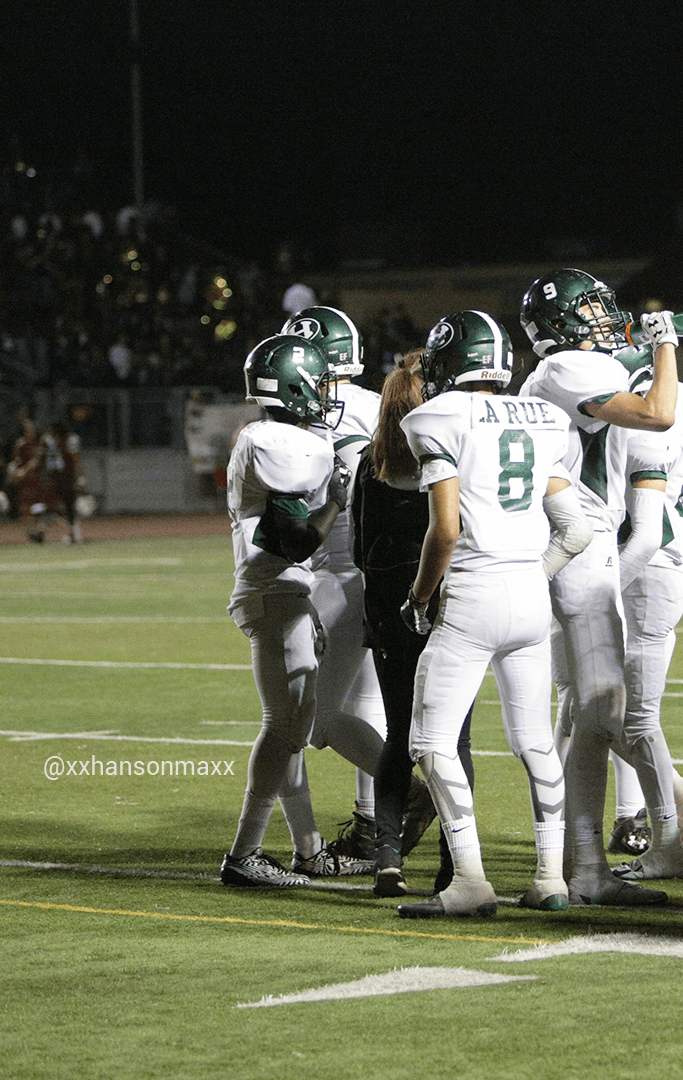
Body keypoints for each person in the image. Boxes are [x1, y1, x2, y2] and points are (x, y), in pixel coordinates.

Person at [392, 310, 591, 917]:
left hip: (473, 596)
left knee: (431, 741)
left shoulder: (436, 418)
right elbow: (576, 530)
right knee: (535, 742)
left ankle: (471, 881)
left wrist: (419, 597)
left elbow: (445, 530)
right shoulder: (544, 418)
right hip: (530, 597)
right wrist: (534, 574)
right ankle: (551, 879)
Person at [517, 268, 683, 905]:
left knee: (584, 710)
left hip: (583, 542)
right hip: (573, 542)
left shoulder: (580, 374)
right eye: (589, 309)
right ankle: (581, 865)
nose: (603, 317)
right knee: (601, 705)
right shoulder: (565, 367)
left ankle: (570, 862)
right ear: (560, 323)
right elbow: (657, 413)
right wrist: (665, 344)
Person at [218, 334, 349, 888]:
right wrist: (337, 500)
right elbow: (295, 540)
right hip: (273, 592)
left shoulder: (268, 437)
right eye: (318, 383)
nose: (325, 393)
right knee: (285, 727)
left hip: (281, 592)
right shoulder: (276, 441)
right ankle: (244, 853)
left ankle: (308, 849)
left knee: (292, 725)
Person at [278, 305, 389, 878]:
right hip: (382, 568)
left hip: (338, 572)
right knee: (365, 700)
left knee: (301, 717)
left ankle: (400, 799)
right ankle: (374, 826)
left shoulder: (313, 414)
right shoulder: (380, 404)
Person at [604, 376, 683, 873]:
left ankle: (663, 830)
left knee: (619, 715)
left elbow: (659, 524)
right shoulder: (672, 396)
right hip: (641, 569)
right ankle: (645, 812)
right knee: (598, 709)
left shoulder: (626, 402)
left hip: (636, 569)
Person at [351, 356, 461, 899]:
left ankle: (388, 860)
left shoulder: (370, 462)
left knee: (399, 736)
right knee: (454, 739)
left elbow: (358, 548)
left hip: (384, 608)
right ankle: (452, 862)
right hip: (441, 609)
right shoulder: (446, 456)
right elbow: (453, 535)